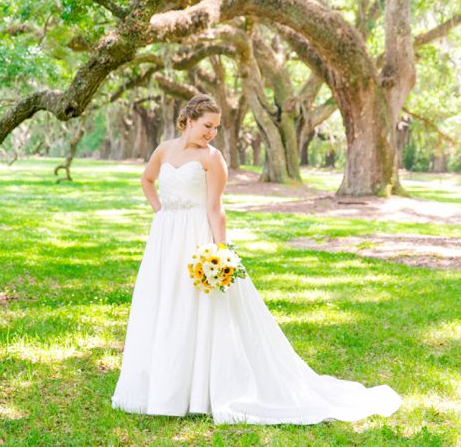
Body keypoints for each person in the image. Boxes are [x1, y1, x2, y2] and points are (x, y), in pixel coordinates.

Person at [111, 94, 402, 424]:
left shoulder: (213, 158)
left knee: (199, 307)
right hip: (166, 237)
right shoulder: (164, 150)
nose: (212, 133)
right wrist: (162, 214)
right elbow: (147, 180)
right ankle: (162, 386)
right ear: (189, 120)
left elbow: (215, 209)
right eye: (208, 126)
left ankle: (201, 389)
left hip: (198, 236)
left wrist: (220, 253)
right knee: (165, 303)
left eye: (217, 128)